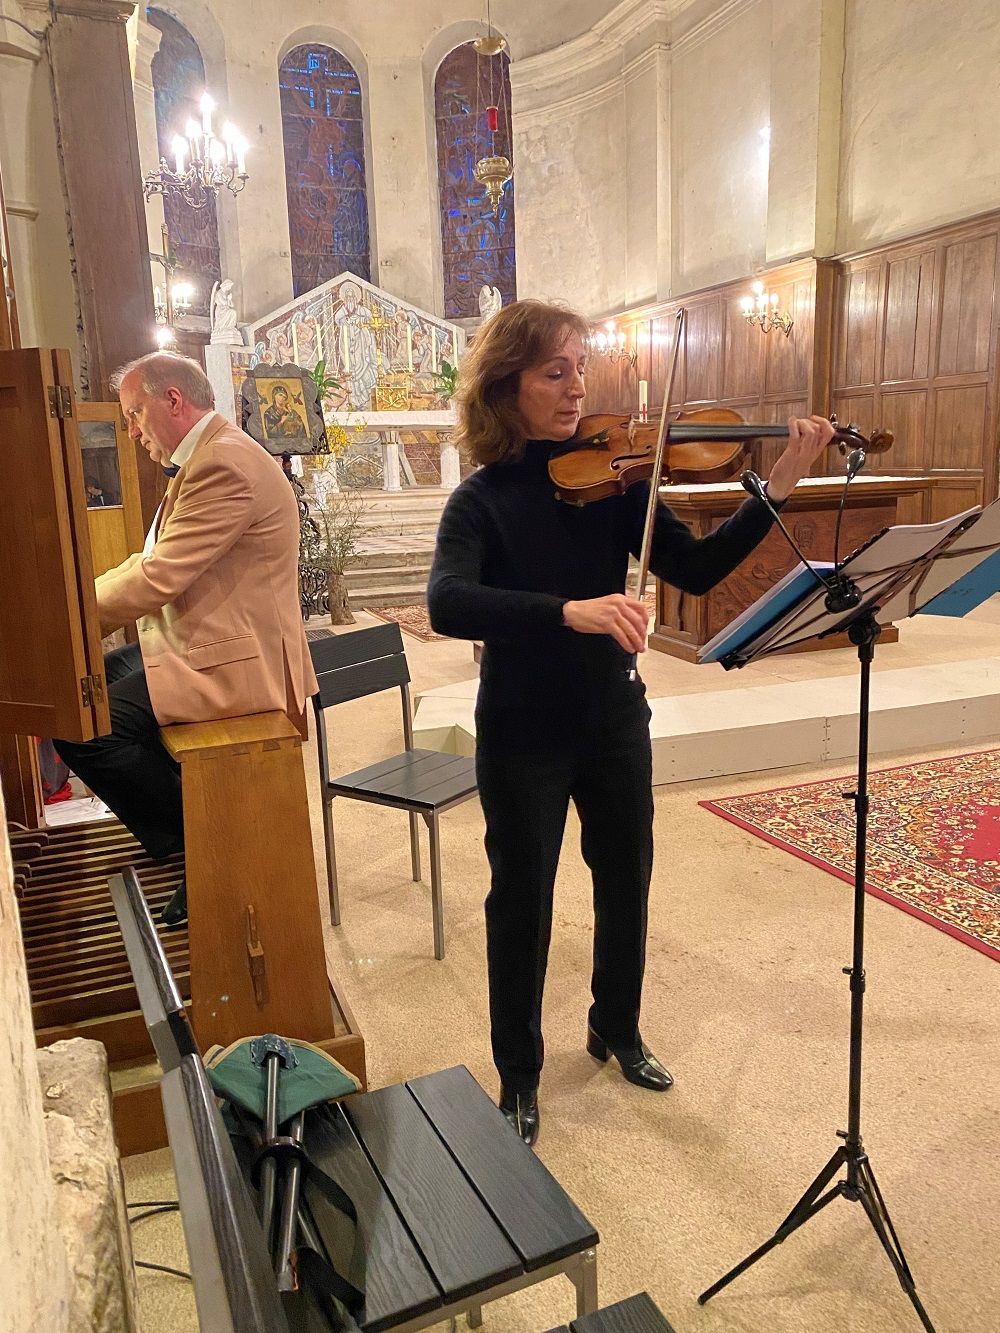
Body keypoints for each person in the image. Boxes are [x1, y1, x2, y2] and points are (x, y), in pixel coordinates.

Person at [426, 299, 834, 1146]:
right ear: (509, 386)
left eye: (582, 367)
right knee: (523, 901)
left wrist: (784, 480)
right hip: (522, 724)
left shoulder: (618, 481)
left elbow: (697, 564)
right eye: (555, 371)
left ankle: (616, 1024)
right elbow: (447, 602)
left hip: (612, 710)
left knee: (627, 877)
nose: (579, 387)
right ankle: (520, 1073)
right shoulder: (480, 500)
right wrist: (569, 610)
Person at [54, 351, 318, 926]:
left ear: (173, 400)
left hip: (237, 663)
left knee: (84, 727)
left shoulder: (222, 464)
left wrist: (64, 616)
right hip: (210, 642)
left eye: (134, 413)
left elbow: (157, 578)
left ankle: (205, 847)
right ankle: (193, 812)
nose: (131, 430)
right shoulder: (211, 454)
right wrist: (73, 600)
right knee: (99, 680)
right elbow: (148, 559)